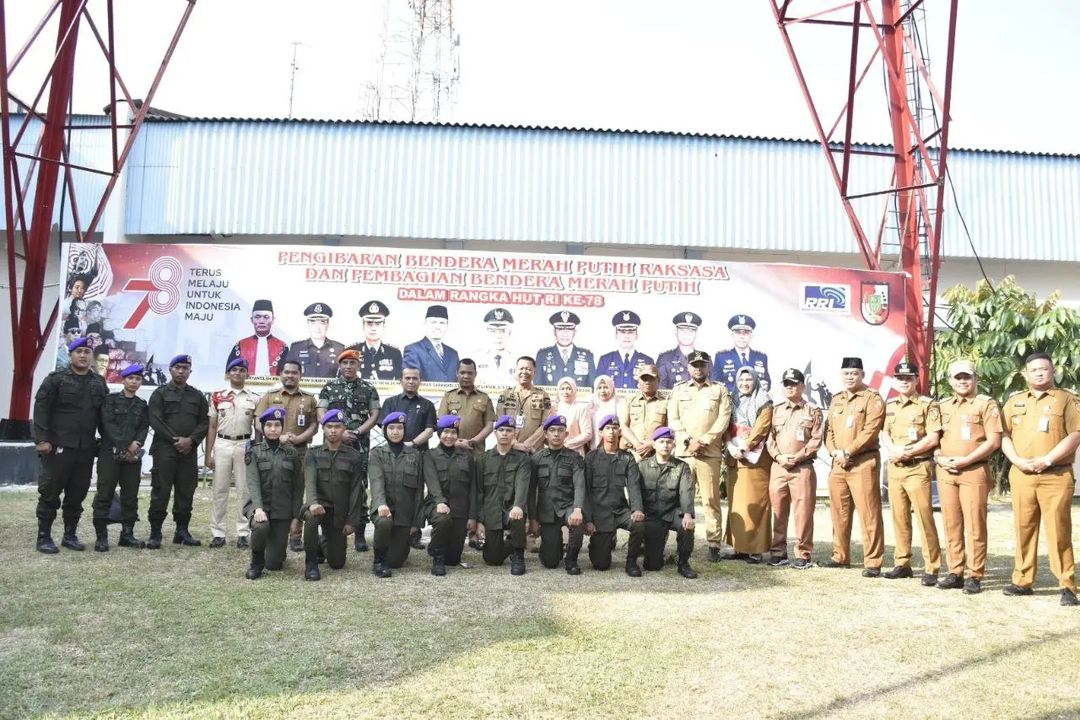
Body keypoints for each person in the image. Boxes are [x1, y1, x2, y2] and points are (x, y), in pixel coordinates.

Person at [1000, 352, 1080, 606]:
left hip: (1055, 475)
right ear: (1025, 374)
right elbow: (1003, 436)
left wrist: (1047, 460)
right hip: (1022, 474)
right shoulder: (1013, 402)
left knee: (1058, 530)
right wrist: (1016, 460)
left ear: (1053, 371)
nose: (1039, 373)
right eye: (1033, 370)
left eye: (1044, 369)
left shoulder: (1067, 399)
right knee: (1023, 528)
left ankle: (1067, 585)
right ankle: (1022, 581)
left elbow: (1076, 434)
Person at [32, 337, 110, 553]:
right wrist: (42, 439)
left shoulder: (98, 383)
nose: (83, 355)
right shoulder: (56, 379)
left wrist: (107, 443)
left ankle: (70, 535)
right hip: (58, 446)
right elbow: (41, 409)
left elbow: (105, 417)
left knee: (77, 494)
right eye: (79, 351)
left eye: (87, 352)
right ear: (71, 354)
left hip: (85, 449)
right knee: (50, 493)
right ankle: (44, 537)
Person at [933, 359, 1002, 594]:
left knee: (975, 524)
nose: (962, 381)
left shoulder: (986, 404)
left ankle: (975, 573)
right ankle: (955, 571)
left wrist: (966, 460)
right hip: (946, 471)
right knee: (951, 522)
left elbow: (994, 441)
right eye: (957, 377)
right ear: (950, 381)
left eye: (967, 377)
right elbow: (935, 439)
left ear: (976, 379)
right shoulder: (942, 406)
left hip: (973, 470)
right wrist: (939, 457)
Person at [822, 357, 886, 577]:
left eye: (854, 374)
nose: (850, 377)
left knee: (869, 513)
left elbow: (871, 431)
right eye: (846, 374)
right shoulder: (836, 399)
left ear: (862, 375)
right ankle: (840, 556)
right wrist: (834, 452)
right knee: (839, 513)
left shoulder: (872, 398)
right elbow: (828, 430)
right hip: (838, 464)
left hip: (862, 462)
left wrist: (848, 451)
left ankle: (873, 561)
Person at [667, 350, 732, 562]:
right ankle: (683, 543)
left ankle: (714, 544)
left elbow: (723, 420)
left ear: (708, 367)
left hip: (709, 454)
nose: (698, 368)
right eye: (694, 364)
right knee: (681, 501)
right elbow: (673, 419)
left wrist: (703, 441)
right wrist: (688, 440)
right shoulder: (678, 390)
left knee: (711, 500)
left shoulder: (719, 390)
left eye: (702, 364)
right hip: (684, 455)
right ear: (688, 367)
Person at [881, 360, 943, 585]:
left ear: (917, 379)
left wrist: (909, 452)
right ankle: (902, 563)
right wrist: (893, 449)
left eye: (908, 378)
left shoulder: (928, 405)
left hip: (918, 466)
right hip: (896, 467)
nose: (904, 382)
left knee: (924, 517)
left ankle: (932, 567)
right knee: (899, 517)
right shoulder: (890, 405)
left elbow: (933, 436)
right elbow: (885, 433)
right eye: (900, 378)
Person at [368, 412, 450, 577]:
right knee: (384, 523)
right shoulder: (377, 454)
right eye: (391, 428)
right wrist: (380, 504)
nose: (395, 432)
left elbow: (419, 490)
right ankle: (378, 561)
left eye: (399, 428)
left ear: (404, 431)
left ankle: (397, 547)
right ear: (385, 430)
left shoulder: (415, 455)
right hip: (384, 509)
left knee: (396, 562)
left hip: (404, 516)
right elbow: (376, 482)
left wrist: (416, 521)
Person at [318, 349, 381, 551]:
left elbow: (375, 414)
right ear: (340, 365)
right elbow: (321, 411)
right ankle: (327, 531)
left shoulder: (368, 388)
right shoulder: (329, 387)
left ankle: (360, 533)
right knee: (328, 484)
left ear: (358, 366)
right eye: (344, 363)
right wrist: (337, 430)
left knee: (359, 488)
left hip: (359, 445)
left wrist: (359, 431)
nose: (348, 367)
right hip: (333, 444)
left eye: (352, 363)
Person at [254, 358, 319, 552]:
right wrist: (277, 436)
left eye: (294, 372)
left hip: (298, 453)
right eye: (287, 372)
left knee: (297, 492)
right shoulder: (269, 396)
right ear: (280, 374)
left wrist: (299, 439)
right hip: (273, 451)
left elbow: (314, 425)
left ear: (300, 376)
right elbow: (258, 421)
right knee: (273, 490)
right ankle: (271, 529)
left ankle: (296, 535)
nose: (290, 375)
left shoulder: (308, 399)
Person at [146, 354, 210, 549]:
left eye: (185, 368)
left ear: (190, 371)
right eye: (178, 367)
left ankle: (182, 531)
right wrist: (176, 440)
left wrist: (190, 440)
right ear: (171, 369)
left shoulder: (197, 395)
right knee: (161, 490)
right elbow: (155, 420)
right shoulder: (160, 393)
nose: (181, 371)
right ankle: (155, 533)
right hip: (165, 450)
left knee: (185, 492)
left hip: (188, 451)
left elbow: (204, 421)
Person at [765, 368, 823, 569]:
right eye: (786, 384)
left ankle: (803, 553)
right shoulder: (776, 410)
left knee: (803, 512)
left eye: (794, 384)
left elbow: (816, 440)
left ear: (802, 386)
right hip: (779, 467)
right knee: (778, 511)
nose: (790, 387)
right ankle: (778, 551)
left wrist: (797, 457)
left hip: (802, 468)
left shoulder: (812, 411)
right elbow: (769, 438)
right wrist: (779, 457)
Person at [300, 409, 366, 581]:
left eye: (337, 426)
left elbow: (356, 490)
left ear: (344, 429)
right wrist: (313, 503)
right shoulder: (313, 453)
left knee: (337, 563)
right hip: (318, 507)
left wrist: (352, 521)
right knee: (312, 518)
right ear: (323, 428)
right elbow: (310, 481)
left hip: (339, 511)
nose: (333, 430)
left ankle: (323, 542)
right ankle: (311, 563)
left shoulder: (354, 456)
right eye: (329, 426)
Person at [91, 363, 150, 551]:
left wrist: (137, 444)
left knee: (130, 495)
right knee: (104, 493)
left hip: (132, 457)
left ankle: (127, 534)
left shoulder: (142, 404)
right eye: (130, 378)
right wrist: (127, 444)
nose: (134, 382)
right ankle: (101, 537)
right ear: (123, 380)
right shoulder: (110, 401)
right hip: (110, 454)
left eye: (138, 379)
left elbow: (143, 428)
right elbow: (107, 426)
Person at [380, 366, 438, 549]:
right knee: (393, 490)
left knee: (417, 493)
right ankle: (393, 529)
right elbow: (384, 427)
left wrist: (411, 444)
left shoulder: (428, 405)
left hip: (418, 455)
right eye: (407, 378)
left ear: (420, 381)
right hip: (393, 455)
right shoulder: (390, 402)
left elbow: (430, 430)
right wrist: (398, 445)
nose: (411, 381)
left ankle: (415, 533)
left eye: (415, 378)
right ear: (401, 380)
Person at [244, 406, 304, 579]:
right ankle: (256, 562)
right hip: (259, 507)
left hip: (282, 510)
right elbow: (253, 483)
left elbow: (298, 486)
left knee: (274, 565)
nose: (273, 429)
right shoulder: (254, 452)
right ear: (262, 427)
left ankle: (276, 549)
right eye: (268, 425)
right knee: (261, 526)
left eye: (277, 425)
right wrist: (258, 509)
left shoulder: (291, 453)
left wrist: (295, 517)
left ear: (282, 427)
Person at [206, 358, 261, 549]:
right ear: (228, 374)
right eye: (234, 370)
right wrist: (208, 454)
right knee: (219, 490)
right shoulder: (217, 396)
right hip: (222, 443)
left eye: (242, 370)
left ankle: (243, 533)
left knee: (244, 491)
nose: (238, 373)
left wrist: (258, 451)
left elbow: (259, 429)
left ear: (247, 374)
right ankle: (218, 533)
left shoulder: (254, 398)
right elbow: (212, 426)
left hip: (245, 444)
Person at [583, 415, 645, 575]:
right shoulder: (591, 458)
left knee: (639, 524)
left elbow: (634, 486)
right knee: (601, 564)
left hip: (620, 511)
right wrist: (588, 520)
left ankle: (631, 562)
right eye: (607, 428)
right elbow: (586, 491)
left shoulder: (627, 458)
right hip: (600, 514)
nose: (611, 431)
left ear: (620, 432)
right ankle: (598, 543)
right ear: (601, 432)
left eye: (615, 428)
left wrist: (637, 509)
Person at [724, 367, 774, 563]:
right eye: (741, 379)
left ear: (755, 381)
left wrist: (744, 446)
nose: (744, 383)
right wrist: (729, 445)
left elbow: (761, 428)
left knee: (756, 505)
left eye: (749, 379)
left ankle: (756, 549)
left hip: (755, 460)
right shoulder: (732, 400)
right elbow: (726, 426)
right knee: (737, 505)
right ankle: (740, 547)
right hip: (734, 459)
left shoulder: (764, 400)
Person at [528, 415, 587, 573]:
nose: (556, 434)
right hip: (547, 510)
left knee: (577, 523)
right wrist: (533, 519)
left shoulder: (574, 458)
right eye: (552, 430)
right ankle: (551, 548)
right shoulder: (536, 459)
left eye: (560, 430)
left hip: (568, 506)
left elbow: (580, 485)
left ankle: (571, 559)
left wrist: (577, 509)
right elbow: (530, 491)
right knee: (551, 562)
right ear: (545, 434)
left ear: (566, 434)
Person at [639, 427, 697, 578]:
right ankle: (656, 553)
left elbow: (686, 492)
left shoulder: (682, 467)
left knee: (687, 526)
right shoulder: (642, 466)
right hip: (652, 516)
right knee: (652, 566)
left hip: (673, 512)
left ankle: (683, 562)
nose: (665, 445)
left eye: (669, 442)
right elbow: (636, 493)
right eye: (662, 441)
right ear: (654, 444)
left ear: (674, 445)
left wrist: (688, 514)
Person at [476, 415, 531, 574]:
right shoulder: (483, 459)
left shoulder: (522, 460)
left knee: (517, 517)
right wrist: (480, 520)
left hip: (511, 509)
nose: (505, 434)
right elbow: (479, 492)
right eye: (501, 430)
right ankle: (511, 543)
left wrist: (518, 506)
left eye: (509, 430)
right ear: (495, 433)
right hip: (492, 511)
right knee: (493, 559)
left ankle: (518, 554)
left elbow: (522, 485)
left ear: (514, 433)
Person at [426, 415, 478, 568]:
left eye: (453, 432)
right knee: (442, 520)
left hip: (460, 510)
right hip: (437, 506)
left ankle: (439, 550)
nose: (449, 436)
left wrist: (472, 516)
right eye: (446, 432)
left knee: (453, 560)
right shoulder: (430, 455)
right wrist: (440, 502)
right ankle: (437, 556)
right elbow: (432, 482)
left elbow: (473, 487)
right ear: (439, 433)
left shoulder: (467, 456)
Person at [437, 358, 496, 454]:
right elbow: (441, 425)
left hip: (476, 451)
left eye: (470, 373)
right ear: (457, 373)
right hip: (452, 451)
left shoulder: (484, 397)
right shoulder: (448, 396)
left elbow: (489, 426)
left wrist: (472, 441)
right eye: (462, 372)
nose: (466, 376)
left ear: (475, 374)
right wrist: (456, 442)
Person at [496, 356, 553, 454]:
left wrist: (527, 445)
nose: (524, 372)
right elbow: (499, 422)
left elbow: (545, 424)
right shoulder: (505, 394)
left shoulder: (543, 395)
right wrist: (514, 444)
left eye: (528, 369)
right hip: (509, 449)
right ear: (515, 371)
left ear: (534, 373)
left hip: (534, 451)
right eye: (521, 369)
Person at [279, 302, 345, 378]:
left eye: (322, 322)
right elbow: (288, 375)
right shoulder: (296, 348)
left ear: (328, 324)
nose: (317, 327)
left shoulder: (339, 349)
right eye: (313, 322)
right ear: (308, 324)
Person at [618, 363, 667, 461]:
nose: (647, 382)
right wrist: (637, 445)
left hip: (656, 454)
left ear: (658, 381)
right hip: (631, 453)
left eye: (651, 378)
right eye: (644, 379)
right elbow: (623, 426)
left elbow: (670, 428)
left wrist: (652, 443)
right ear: (638, 381)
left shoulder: (666, 402)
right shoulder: (629, 401)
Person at [226, 299, 287, 377]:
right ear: (252, 320)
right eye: (257, 317)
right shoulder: (240, 345)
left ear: (273, 320)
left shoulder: (282, 347)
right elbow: (229, 374)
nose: (261, 321)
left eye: (266, 317)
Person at [596, 311, 655, 390]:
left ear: (636, 335)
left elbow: (652, 390)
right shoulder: (605, 360)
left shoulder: (648, 361)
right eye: (622, 332)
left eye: (631, 332)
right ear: (616, 335)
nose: (627, 336)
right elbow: (597, 390)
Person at [712, 314, 771, 393]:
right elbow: (715, 383)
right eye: (738, 333)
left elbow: (767, 383)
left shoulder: (761, 357)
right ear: (732, 335)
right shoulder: (721, 357)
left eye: (746, 333)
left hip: (755, 402)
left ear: (751, 336)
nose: (742, 336)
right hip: (731, 402)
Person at [536, 311, 595, 387]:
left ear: (575, 332)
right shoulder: (542, 355)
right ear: (554, 332)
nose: (565, 334)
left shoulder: (587, 356)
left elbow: (592, 387)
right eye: (560, 329)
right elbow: (538, 387)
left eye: (569, 329)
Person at [403, 304, 460, 383]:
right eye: (433, 322)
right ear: (425, 324)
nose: (437, 327)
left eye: (442, 323)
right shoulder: (413, 350)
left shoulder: (453, 354)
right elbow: (411, 381)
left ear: (447, 326)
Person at [347, 300, 402, 381]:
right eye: (369, 323)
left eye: (378, 323)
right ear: (363, 326)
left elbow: (400, 384)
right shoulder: (350, 352)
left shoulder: (394, 353)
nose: (373, 328)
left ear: (384, 326)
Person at [656, 312, 704, 390]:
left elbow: (711, 390)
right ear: (676, 331)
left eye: (691, 331)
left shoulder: (705, 359)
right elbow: (660, 390)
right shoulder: (664, 359)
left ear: (696, 334)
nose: (686, 334)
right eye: (682, 330)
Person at [475, 307, 516, 388]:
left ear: (509, 333)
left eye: (502, 331)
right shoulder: (476, 358)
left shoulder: (517, 359)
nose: (498, 336)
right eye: (493, 331)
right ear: (487, 333)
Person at [555, 377, 593, 456]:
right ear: (558, 391)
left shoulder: (581, 409)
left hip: (575, 452)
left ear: (574, 390)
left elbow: (587, 434)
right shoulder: (554, 409)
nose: (565, 392)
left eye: (569, 388)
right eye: (562, 389)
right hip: (555, 453)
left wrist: (566, 445)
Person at [588, 374, 625, 451]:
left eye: (606, 387)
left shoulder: (619, 403)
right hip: (593, 447)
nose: (602, 391)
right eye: (599, 388)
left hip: (614, 447)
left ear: (611, 388)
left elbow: (622, 427)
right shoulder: (590, 403)